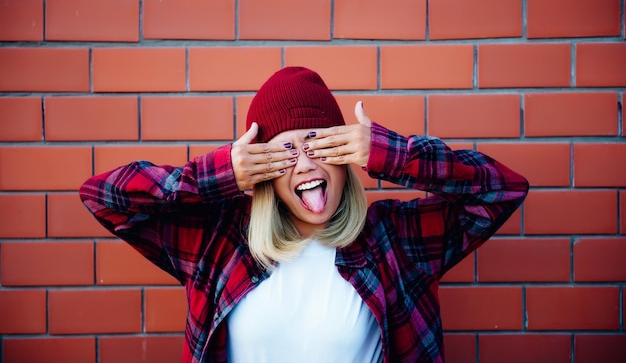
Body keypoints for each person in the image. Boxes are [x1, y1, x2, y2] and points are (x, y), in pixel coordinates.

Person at [79, 66, 529, 363]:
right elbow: (104, 197)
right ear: (262, 170)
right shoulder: (218, 244)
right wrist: (216, 175)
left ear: (344, 152)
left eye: (319, 143)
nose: (306, 163)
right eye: (285, 151)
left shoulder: (393, 242)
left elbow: (500, 190)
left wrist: (391, 154)